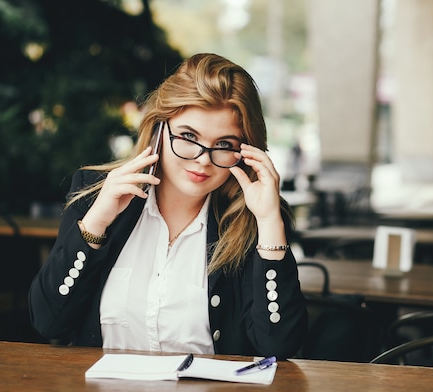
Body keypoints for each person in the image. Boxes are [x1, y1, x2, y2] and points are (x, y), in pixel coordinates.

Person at [29, 53, 308, 359]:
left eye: (225, 144)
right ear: (159, 129)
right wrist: (96, 223)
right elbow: (48, 322)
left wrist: (268, 223)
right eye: (189, 136)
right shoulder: (97, 194)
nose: (203, 159)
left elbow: (279, 346)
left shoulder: (253, 218)